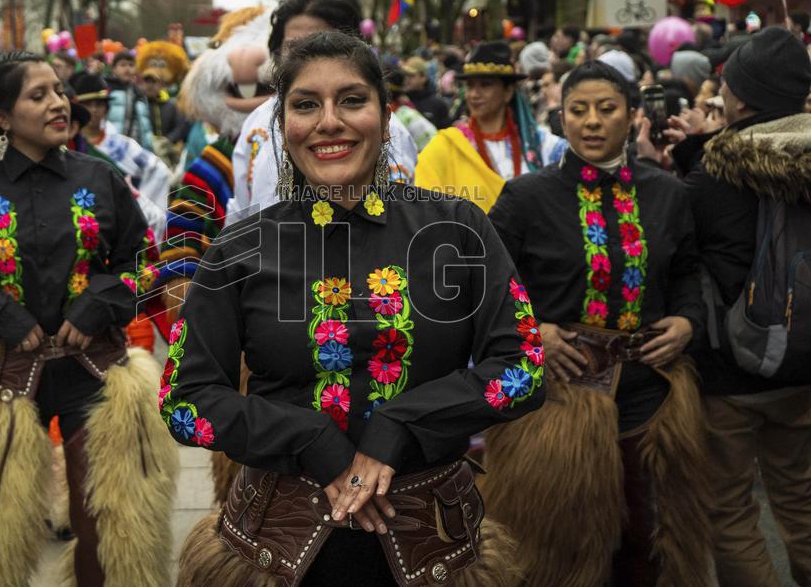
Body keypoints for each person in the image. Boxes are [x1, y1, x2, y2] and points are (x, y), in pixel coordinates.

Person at [174, 29, 542, 587]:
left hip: (434, 545)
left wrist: (401, 424)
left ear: (386, 116)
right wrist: (308, 438)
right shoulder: (240, 249)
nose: (329, 122)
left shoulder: (457, 230)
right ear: (283, 125)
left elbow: (522, 368)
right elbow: (186, 402)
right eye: (305, 105)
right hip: (275, 549)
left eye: (351, 100)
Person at [0, 51, 178, 587]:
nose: (57, 103)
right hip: (0, 378)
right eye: (38, 95)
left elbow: (143, 264)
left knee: (113, 533)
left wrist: (98, 303)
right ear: (1, 117)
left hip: (96, 374)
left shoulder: (101, 179)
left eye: (58, 90)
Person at [484, 60, 710, 585]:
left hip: (650, 391)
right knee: (557, 549)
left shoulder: (668, 194)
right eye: (577, 110)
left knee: (649, 542)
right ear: (561, 118)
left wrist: (687, 321)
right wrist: (532, 330)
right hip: (556, 396)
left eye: (606, 110)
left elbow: (688, 271)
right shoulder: (525, 198)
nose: (591, 122)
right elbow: (489, 284)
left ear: (632, 117)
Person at [670, 26, 811, 587]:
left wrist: (687, 151)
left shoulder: (715, 172)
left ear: (741, 94)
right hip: (806, 362)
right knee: (800, 499)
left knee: (728, 509)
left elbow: (683, 240)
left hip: (732, 368)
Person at [229, 0, 417, 229]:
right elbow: (241, 212)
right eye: (294, 46)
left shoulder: (374, 127)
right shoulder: (257, 122)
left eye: (321, 40)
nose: (329, 124)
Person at [415, 41, 562, 211]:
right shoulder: (448, 144)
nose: (474, 94)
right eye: (470, 86)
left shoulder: (541, 145)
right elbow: (421, 199)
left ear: (507, 92)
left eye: (485, 85)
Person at [70, 71, 170, 236]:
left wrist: (139, 202)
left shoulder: (120, 144)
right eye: (88, 104)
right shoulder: (69, 142)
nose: (94, 110)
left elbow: (158, 170)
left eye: (99, 104)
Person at [104, 50, 154, 149]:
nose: (127, 69)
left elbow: (146, 126)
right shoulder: (106, 90)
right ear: (114, 69)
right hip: (113, 149)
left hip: (137, 149)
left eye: (131, 65)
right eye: (123, 65)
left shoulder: (139, 93)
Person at [385, 67, 437, 152]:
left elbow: (432, 141)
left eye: (411, 76)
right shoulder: (406, 112)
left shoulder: (407, 114)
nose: (409, 81)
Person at [401, 56, 451, 129]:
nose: (406, 80)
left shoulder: (438, 105)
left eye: (411, 76)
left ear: (423, 77)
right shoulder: (400, 101)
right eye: (405, 75)